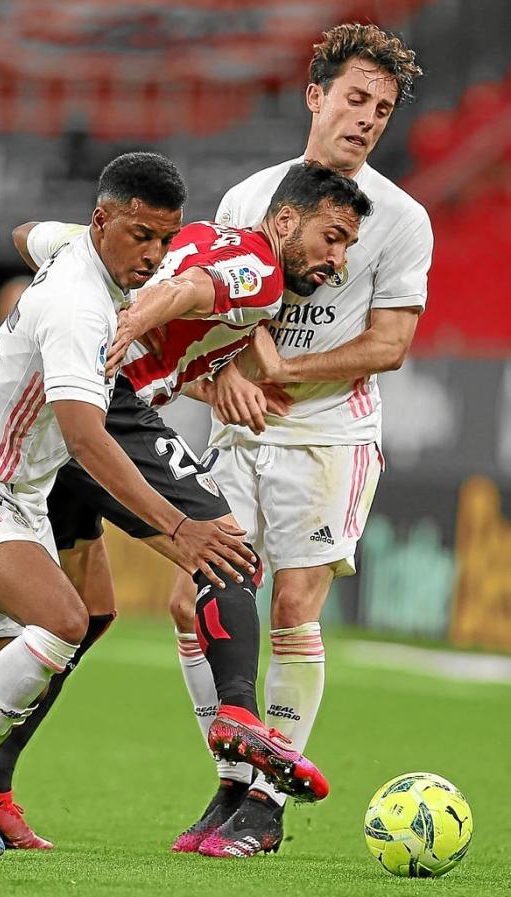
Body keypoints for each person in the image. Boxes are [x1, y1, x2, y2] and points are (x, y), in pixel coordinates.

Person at [0, 152, 263, 856]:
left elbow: (22, 233)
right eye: (141, 236)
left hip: (13, 495)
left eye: (166, 239)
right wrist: (177, 530)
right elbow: (84, 436)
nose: (155, 256)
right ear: (104, 220)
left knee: (5, 677)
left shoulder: (85, 250)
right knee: (66, 619)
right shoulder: (77, 304)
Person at [0, 161, 373, 848]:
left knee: (88, 612)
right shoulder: (259, 266)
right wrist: (129, 323)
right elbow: (189, 289)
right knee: (228, 551)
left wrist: (203, 377)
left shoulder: (163, 244)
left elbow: (23, 235)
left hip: (52, 424)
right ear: (284, 223)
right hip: (103, 407)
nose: (336, 261)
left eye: (347, 248)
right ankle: (241, 716)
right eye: (331, 238)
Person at [167, 23, 434, 858]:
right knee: (190, 601)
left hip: (329, 440)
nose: (365, 119)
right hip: (240, 436)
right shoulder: (249, 198)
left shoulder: (402, 217)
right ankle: (232, 777)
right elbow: (216, 316)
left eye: (381, 109)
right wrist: (226, 375)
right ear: (315, 95)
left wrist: (277, 372)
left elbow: (389, 345)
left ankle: (266, 805)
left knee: (290, 607)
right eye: (354, 98)